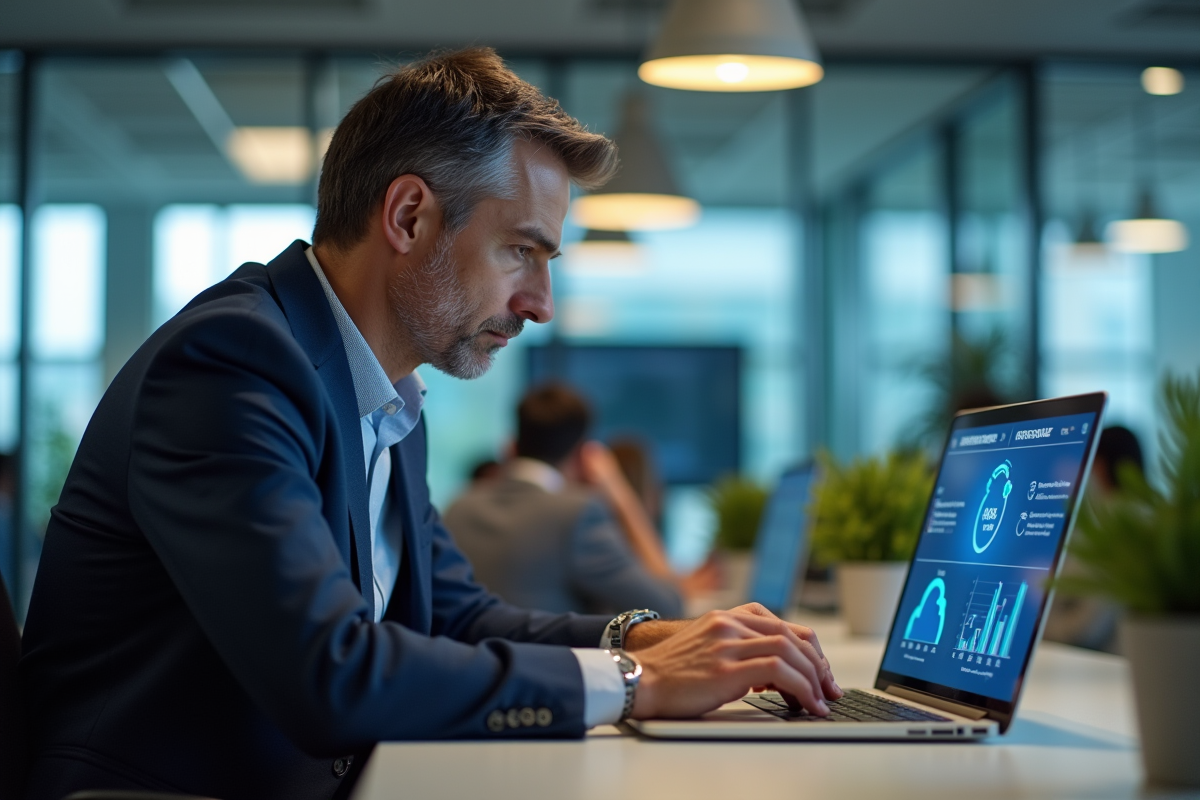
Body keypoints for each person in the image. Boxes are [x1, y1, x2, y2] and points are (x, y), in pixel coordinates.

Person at [18, 49, 840, 800]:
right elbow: (328, 674)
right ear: (409, 216)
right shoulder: (232, 366)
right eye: (521, 251)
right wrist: (638, 683)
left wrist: (656, 637)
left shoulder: (388, 398)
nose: (541, 305)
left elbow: (456, 616)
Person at [445, 384, 685, 617]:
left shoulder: (458, 507)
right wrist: (620, 495)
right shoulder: (579, 513)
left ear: (513, 446)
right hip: (548, 647)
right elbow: (667, 607)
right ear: (584, 454)